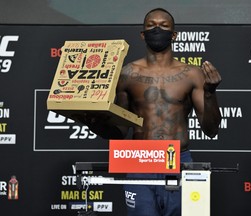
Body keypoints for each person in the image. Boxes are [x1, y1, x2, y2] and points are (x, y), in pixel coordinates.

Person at [80, 7, 221, 216]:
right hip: (139, 161)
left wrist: (210, 94)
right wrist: (94, 122)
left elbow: (211, 129)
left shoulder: (192, 74)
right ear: (142, 34)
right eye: (151, 26)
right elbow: (120, 131)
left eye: (163, 26)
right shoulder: (127, 74)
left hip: (178, 160)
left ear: (174, 35)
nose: (157, 29)